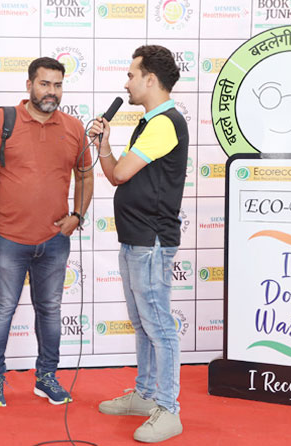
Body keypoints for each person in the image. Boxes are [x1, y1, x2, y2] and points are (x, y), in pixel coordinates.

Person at [0, 57, 94, 408]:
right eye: (44, 84)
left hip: (54, 240)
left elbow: (85, 175)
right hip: (7, 238)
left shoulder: (74, 127)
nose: (51, 91)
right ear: (29, 85)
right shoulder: (3, 120)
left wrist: (77, 215)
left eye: (58, 85)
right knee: (2, 310)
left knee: (50, 310)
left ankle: (46, 377)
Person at [89, 45, 188, 443]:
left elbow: (121, 173)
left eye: (131, 75)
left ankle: (168, 409)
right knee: (144, 324)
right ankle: (146, 395)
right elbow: (115, 172)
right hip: (135, 238)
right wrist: (104, 144)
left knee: (158, 326)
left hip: (151, 240)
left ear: (150, 79)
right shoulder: (149, 123)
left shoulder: (164, 123)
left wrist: (109, 148)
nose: (126, 82)